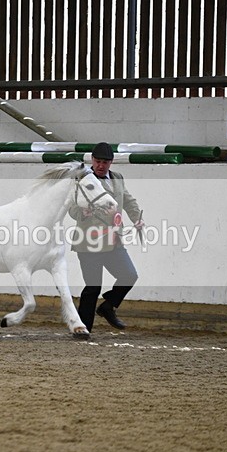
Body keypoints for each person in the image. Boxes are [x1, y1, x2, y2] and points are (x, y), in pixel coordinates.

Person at [68, 142, 145, 332]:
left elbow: (128, 200)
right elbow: (71, 207)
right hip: (89, 241)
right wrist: (82, 212)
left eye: (105, 162)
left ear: (111, 162)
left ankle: (108, 306)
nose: (101, 165)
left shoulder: (117, 178)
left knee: (129, 275)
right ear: (92, 160)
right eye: (97, 161)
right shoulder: (82, 178)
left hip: (113, 240)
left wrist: (137, 218)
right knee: (93, 287)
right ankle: (83, 327)